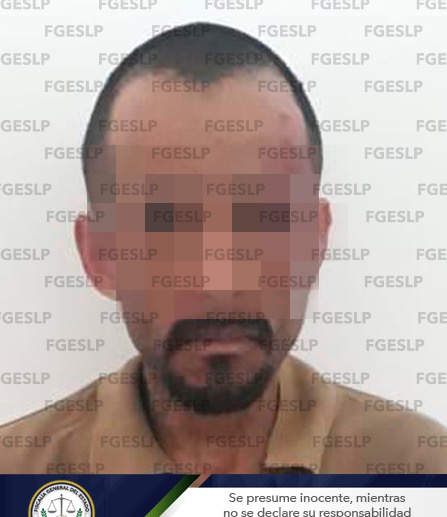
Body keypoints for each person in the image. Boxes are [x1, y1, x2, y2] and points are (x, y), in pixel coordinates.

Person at [1, 22, 446, 475]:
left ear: (316, 241)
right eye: (167, 225)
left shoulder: (420, 474)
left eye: (264, 220)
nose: (220, 283)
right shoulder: (16, 481)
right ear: (98, 254)